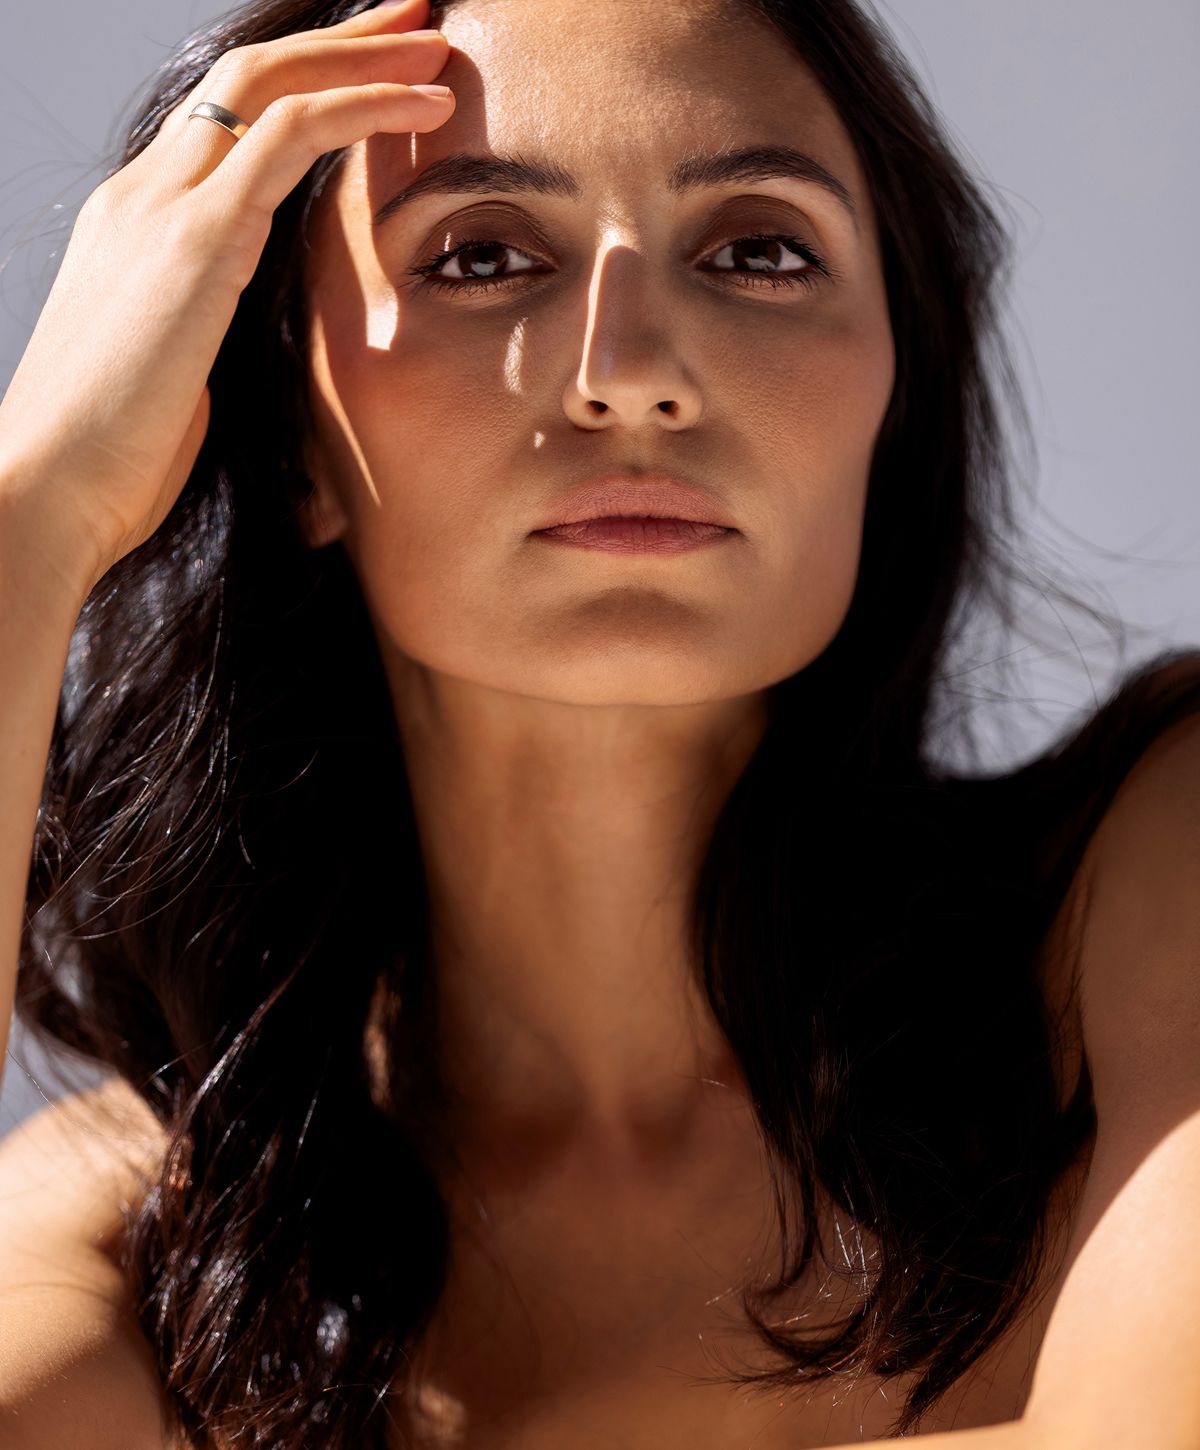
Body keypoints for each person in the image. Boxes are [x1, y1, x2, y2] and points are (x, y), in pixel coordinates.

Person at [0, 0, 1198, 1446]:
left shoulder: (1153, 877)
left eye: (759, 249)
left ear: (893, 389)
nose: (629, 365)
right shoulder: (162, 1222)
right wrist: (39, 504)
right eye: (483, 254)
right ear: (293, 443)